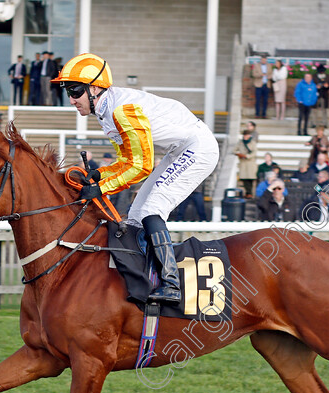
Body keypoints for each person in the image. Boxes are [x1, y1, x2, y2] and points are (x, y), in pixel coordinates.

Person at [52, 53, 219, 304]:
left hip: (198, 148)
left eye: (75, 91)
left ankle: (172, 284)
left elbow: (141, 167)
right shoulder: (105, 111)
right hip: (179, 149)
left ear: (95, 88)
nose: (72, 100)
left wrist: (101, 189)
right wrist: (98, 175)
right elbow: (126, 161)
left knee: (152, 209)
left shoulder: (122, 110)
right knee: (136, 213)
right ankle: (144, 274)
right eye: (68, 92)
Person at [234, 129, 258, 197]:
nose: (245, 136)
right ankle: (247, 193)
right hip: (243, 163)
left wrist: (247, 156)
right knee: (244, 179)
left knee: (250, 179)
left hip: (250, 163)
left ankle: (249, 193)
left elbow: (254, 152)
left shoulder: (253, 142)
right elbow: (234, 150)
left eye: (246, 135)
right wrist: (239, 154)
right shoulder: (240, 142)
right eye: (244, 135)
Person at [251, 53, 270, 119]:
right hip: (258, 84)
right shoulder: (256, 65)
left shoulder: (269, 65)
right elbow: (253, 74)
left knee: (265, 100)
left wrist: (268, 76)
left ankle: (264, 114)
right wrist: (261, 75)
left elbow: (271, 74)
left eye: (265, 60)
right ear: (261, 60)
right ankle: (257, 114)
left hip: (266, 84)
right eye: (262, 60)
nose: (264, 61)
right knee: (258, 100)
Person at [313, 64, 329, 128]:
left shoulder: (327, 76)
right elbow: (312, 84)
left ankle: (325, 123)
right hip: (316, 95)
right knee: (315, 110)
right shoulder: (314, 76)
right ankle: (314, 123)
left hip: (324, 95)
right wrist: (316, 87)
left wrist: (327, 86)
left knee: (325, 110)